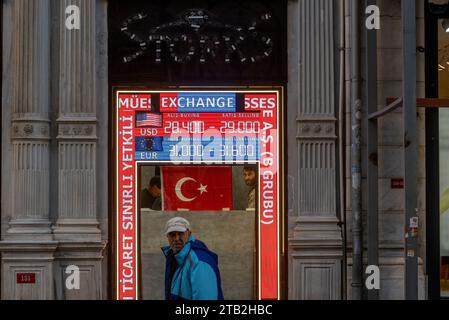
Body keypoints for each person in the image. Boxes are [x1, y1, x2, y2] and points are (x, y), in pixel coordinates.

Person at [161, 217, 224, 300]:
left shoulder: (199, 261)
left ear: (189, 233)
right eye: (172, 235)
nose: (176, 239)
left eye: (180, 234)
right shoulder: (176, 257)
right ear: (167, 237)